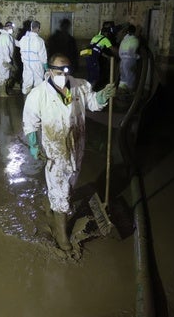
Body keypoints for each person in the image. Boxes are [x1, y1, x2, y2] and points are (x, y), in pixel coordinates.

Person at [22, 54, 116, 253]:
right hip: (55, 150)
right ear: (49, 70)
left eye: (67, 70)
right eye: (58, 71)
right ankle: (62, 234)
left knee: (71, 183)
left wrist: (103, 96)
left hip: (76, 147)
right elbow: (30, 121)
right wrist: (34, 145)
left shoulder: (80, 86)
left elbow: (93, 103)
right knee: (61, 191)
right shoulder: (38, 94)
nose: (63, 75)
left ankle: (53, 202)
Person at [17, 20, 47, 95]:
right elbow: (42, 55)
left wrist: (23, 60)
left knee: (27, 82)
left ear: (31, 27)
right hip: (37, 64)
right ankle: (36, 101)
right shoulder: (39, 40)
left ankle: (27, 101)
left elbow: (21, 50)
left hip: (27, 64)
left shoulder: (23, 39)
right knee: (38, 82)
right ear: (38, 28)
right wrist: (45, 65)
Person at [86, 21, 116, 89]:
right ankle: (90, 91)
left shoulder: (95, 37)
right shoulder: (105, 39)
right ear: (105, 33)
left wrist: (107, 57)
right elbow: (112, 49)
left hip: (88, 57)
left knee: (90, 74)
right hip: (93, 57)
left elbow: (97, 50)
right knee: (95, 74)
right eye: (108, 33)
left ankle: (88, 88)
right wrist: (119, 55)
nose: (108, 34)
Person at [0, 21, 15, 97]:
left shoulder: (8, 36)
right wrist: (9, 61)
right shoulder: (4, 36)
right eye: (9, 27)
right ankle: (2, 92)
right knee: (3, 75)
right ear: (5, 27)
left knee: (6, 75)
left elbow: (15, 42)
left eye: (11, 27)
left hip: (7, 59)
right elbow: (5, 50)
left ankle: (5, 90)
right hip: (3, 60)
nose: (11, 28)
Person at [118, 24, 140, 92]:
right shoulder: (135, 40)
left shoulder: (123, 40)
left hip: (122, 62)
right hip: (129, 61)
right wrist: (138, 56)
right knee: (130, 77)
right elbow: (131, 53)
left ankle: (120, 91)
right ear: (135, 31)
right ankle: (131, 93)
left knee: (123, 77)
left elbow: (119, 52)